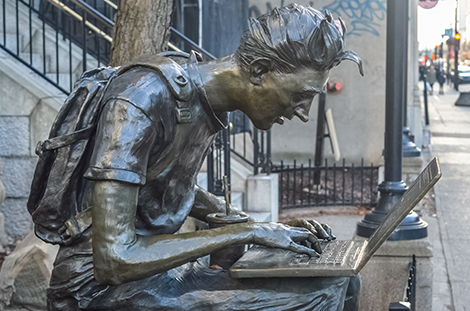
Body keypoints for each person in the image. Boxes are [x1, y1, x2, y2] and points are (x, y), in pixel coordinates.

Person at [45, 4, 363, 311]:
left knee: (340, 280)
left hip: (152, 274)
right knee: (315, 296)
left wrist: (270, 228)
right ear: (260, 71)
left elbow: (165, 184)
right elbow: (113, 260)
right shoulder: (141, 97)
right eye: (300, 95)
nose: (304, 114)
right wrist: (249, 232)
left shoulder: (200, 100)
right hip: (93, 286)